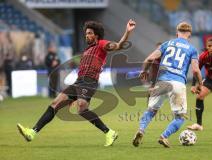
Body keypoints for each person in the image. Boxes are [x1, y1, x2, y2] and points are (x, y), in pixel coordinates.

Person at [17, 19, 136, 147]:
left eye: (89, 33)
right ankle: (32, 132)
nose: (87, 35)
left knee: (82, 107)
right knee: (55, 103)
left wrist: (127, 32)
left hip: (89, 81)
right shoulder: (86, 51)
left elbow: (118, 46)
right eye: (86, 33)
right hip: (78, 82)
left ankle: (109, 132)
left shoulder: (101, 44)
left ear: (96, 35)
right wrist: (74, 95)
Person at [132, 22, 202, 148]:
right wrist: (200, 84)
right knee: (180, 117)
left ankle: (141, 130)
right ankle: (164, 136)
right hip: (178, 83)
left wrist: (144, 71)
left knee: (151, 110)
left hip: (161, 82)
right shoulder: (192, 49)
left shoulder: (167, 44)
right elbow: (196, 70)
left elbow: (149, 59)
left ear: (177, 33)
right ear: (189, 34)